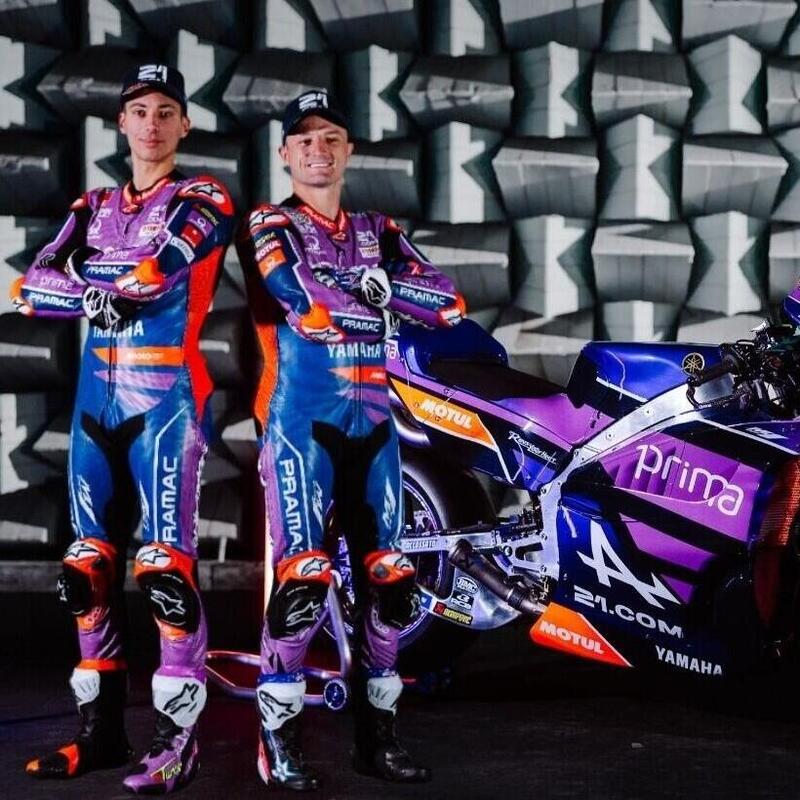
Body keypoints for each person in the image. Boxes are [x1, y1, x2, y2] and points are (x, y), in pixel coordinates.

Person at [12, 63, 234, 794]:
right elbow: (30, 288)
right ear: (121, 123)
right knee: (86, 571)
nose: (152, 124)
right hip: (93, 408)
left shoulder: (204, 197)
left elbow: (155, 272)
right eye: (140, 111)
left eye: (166, 111)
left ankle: (178, 744)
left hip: (166, 403)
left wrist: (85, 272)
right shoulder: (94, 203)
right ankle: (100, 734)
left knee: (166, 571)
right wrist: (90, 286)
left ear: (185, 125)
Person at [236, 89, 466, 791]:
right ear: (285, 153)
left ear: (349, 150)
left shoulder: (378, 228)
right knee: (303, 583)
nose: (318, 149)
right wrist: (382, 293)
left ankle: (379, 742)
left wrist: (381, 286)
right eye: (304, 140)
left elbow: (449, 303)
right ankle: (278, 744)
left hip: (374, 427)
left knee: (392, 583)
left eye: (331, 137)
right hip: (300, 426)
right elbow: (304, 303)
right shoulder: (268, 222)